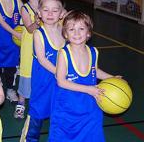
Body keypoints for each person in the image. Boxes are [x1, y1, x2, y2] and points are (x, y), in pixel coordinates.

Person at [49, 11, 119, 142]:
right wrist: (88, 89)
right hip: (67, 108)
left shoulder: (93, 52)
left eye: (81, 29)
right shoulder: (63, 54)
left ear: (88, 33)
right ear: (65, 34)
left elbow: (94, 70)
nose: (76, 33)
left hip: (90, 106)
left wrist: (112, 78)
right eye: (71, 29)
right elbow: (61, 82)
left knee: (93, 135)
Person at [20, 0, 66, 142]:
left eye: (55, 10)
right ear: (39, 13)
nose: (50, 13)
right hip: (43, 81)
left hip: (60, 82)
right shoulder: (39, 34)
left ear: (61, 13)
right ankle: (29, 139)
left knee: (59, 111)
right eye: (46, 10)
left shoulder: (64, 30)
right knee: (37, 113)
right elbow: (42, 60)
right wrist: (59, 73)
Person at [14, 0, 44, 119]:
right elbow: (30, 28)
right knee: (27, 74)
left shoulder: (48, 7)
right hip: (29, 47)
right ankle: (21, 102)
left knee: (42, 75)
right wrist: (38, 21)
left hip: (44, 47)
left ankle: (39, 103)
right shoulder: (25, 8)